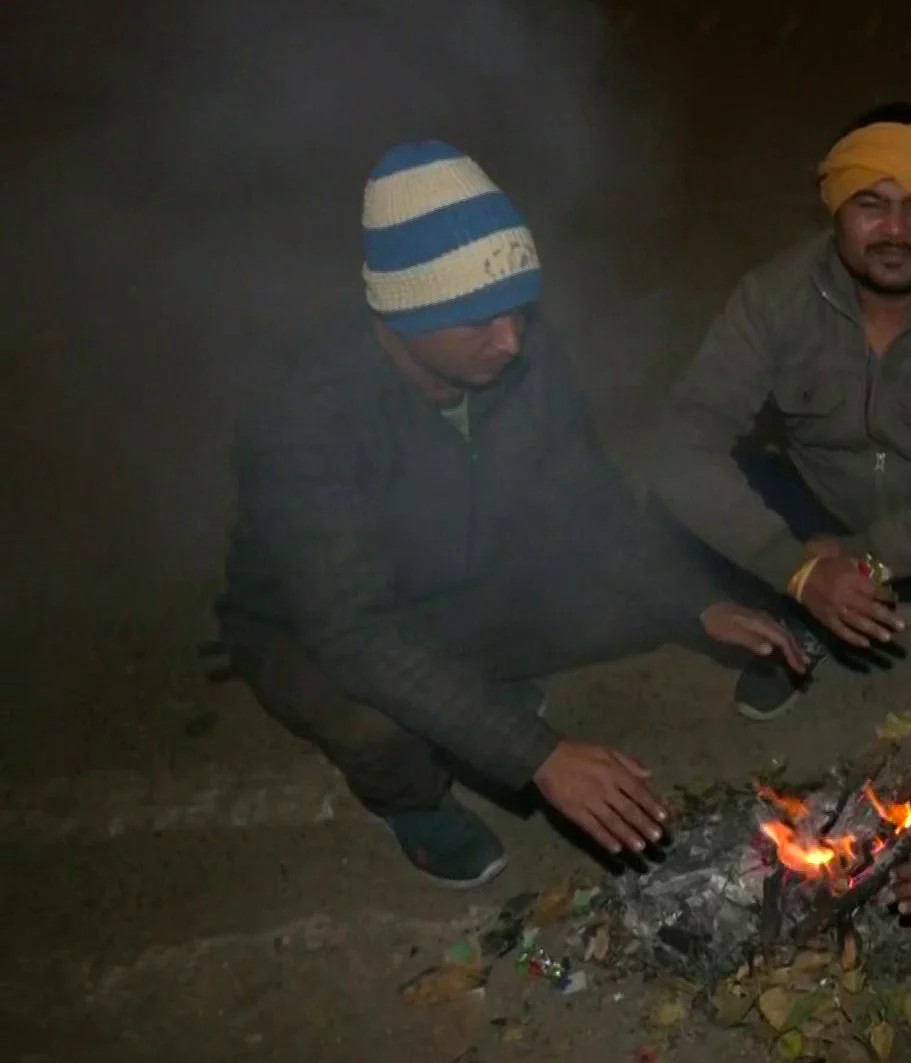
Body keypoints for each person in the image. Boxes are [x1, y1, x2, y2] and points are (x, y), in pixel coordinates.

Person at [216, 140, 806, 888]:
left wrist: (700, 603)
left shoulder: (518, 355)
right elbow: (356, 630)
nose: (512, 341)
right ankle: (415, 802)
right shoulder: (304, 417)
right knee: (380, 725)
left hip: (462, 578)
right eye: (477, 322)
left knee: (664, 571)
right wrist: (538, 754)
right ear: (398, 316)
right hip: (316, 628)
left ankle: (473, 698)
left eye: (520, 311)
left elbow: (592, 504)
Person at [648, 102, 911, 722]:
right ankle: (804, 614)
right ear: (834, 210)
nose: (894, 230)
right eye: (870, 203)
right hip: (819, 521)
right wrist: (796, 569)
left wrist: (859, 558)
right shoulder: (774, 298)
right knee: (674, 503)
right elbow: (681, 447)